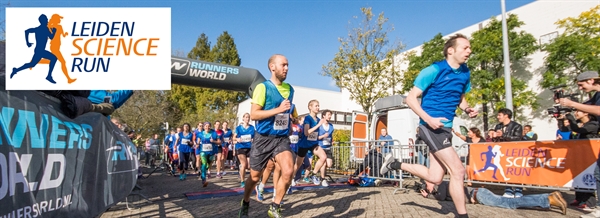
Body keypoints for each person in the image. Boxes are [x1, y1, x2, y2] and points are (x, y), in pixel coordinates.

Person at [380, 34, 478, 218]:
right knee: (458, 170)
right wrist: (429, 119)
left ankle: (396, 164)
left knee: (435, 178)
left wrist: (467, 109)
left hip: (445, 128)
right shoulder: (433, 70)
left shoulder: (465, 72)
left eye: (469, 48)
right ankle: (462, 215)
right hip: (430, 126)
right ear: (451, 50)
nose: (469, 51)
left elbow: (460, 98)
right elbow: (410, 99)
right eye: (465, 47)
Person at [239, 54, 297, 218]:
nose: (286, 68)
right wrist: (278, 110)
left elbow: (285, 113)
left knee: (288, 171)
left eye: (287, 65)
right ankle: (245, 202)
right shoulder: (262, 88)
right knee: (255, 177)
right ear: (272, 67)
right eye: (283, 65)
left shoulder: (290, 89)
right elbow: (254, 115)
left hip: (281, 139)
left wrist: (290, 123)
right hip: (263, 138)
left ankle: (275, 206)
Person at [559, 71, 600, 218]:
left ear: (590, 80)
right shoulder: (595, 96)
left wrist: (571, 103)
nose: (581, 88)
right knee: (598, 174)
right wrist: (563, 104)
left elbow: (598, 110)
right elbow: (582, 108)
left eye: (581, 85)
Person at [418, 180, 567, 215]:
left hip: (478, 195)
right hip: (478, 194)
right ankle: (547, 199)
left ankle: (548, 198)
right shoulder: (443, 185)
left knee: (510, 204)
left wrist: (428, 197)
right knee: (510, 203)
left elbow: (442, 198)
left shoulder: (443, 184)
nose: (427, 188)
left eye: (427, 186)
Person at [11, 14, 58, 83]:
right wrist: (54, 31)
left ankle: (16, 70)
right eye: (46, 20)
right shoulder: (43, 29)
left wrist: (28, 42)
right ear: (43, 21)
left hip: (39, 50)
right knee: (54, 58)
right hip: (40, 50)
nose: (47, 21)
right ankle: (49, 76)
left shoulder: (39, 29)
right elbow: (51, 37)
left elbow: (27, 31)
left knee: (32, 64)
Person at [295, 100, 328, 186]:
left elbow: (315, 134)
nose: (318, 108)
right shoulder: (307, 118)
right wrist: (318, 125)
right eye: (316, 106)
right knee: (298, 165)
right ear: (310, 107)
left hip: (313, 144)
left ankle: (313, 174)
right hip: (304, 144)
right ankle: (290, 179)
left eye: (318, 106)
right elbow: (306, 132)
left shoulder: (318, 119)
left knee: (323, 157)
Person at [36, 14, 76, 83]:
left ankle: (35, 61)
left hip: (57, 47)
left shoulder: (60, 27)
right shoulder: (50, 27)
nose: (60, 20)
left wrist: (65, 34)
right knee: (62, 62)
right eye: (59, 18)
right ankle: (68, 79)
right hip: (54, 47)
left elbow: (63, 35)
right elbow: (48, 36)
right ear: (55, 19)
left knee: (51, 60)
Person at [235, 113, 255, 188]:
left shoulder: (252, 128)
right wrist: (237, 139)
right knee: (244, 165)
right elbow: (233, 138)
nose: (247, 119)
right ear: (243, 119)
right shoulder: (238, 128)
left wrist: (253, 139)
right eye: (246, 117)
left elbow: (255, 137)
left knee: (249, 166)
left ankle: (241, 168)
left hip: (249, 148)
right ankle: (242, 181)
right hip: (240, 147)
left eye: (248, 117)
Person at [196, 122, 217, 187]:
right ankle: (203, 178)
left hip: (211, 152)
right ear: (204, 127)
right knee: (204, 164)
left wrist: (213, 141)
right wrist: (197, 145)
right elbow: (198, 141)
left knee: (209, 163)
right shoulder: (200, 134)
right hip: (203, 152)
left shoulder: (214, 133)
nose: (207, 127)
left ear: (210, 127)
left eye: (208, 126)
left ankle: (206, 169)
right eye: (206, 126)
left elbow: (219, 142)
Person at [317, 110, 334, 187]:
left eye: (330, 115)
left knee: (329, 164)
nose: (330, 116)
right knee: (323, 163)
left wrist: (332, 141)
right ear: (323, 116)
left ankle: (320, 171)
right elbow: (316, 137)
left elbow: (331, 136)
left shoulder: (331, 126)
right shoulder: (319, 126)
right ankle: (323, 178)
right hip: (321, 147)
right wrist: (323, 136)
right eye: (328, 115)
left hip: (328, 147)